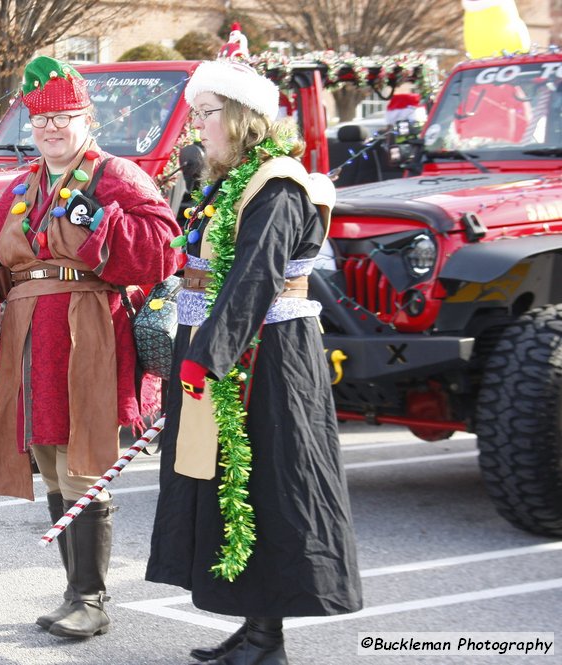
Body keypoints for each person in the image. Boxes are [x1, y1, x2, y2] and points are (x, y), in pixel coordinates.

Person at [0, 55, 180, 639]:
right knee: (49, 461)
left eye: (64, 117)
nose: (51, 128)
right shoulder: (22, 187)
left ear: (87, 121)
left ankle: (92, 600)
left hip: (87, 332)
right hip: (28, 336)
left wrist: (97, 220)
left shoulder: (117, 175)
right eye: (40, 119)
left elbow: (163, 250)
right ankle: (75, 592)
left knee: (82, 463)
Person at [145, 59, 363, 665]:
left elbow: (255, 279)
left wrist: (207, 355)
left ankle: (270, 640)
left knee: (265, 487)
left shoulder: (277, 186)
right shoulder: (232, 179)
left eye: (207, 114)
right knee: (228, 489)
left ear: (243, 117)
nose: (197, 127)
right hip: (230, 352)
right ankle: (254, 625)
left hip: (268, 361)